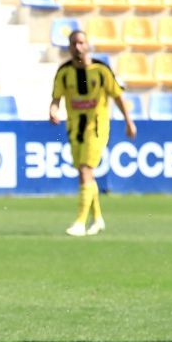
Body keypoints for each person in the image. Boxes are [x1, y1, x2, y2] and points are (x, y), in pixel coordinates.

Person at [49, 30, 137, 237]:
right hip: (74, 129)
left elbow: (118, 96)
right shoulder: (64, 72)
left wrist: (129, 122)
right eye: (73, 43)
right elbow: (56, 99)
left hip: (97, 128)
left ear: (87, 45)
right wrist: (53, 111)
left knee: (85, 169)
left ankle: (80, 222)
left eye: (81, 43)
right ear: (69, 47)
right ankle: (97, 219)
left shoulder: (101, 70)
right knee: (86, 173)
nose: (77, 47)